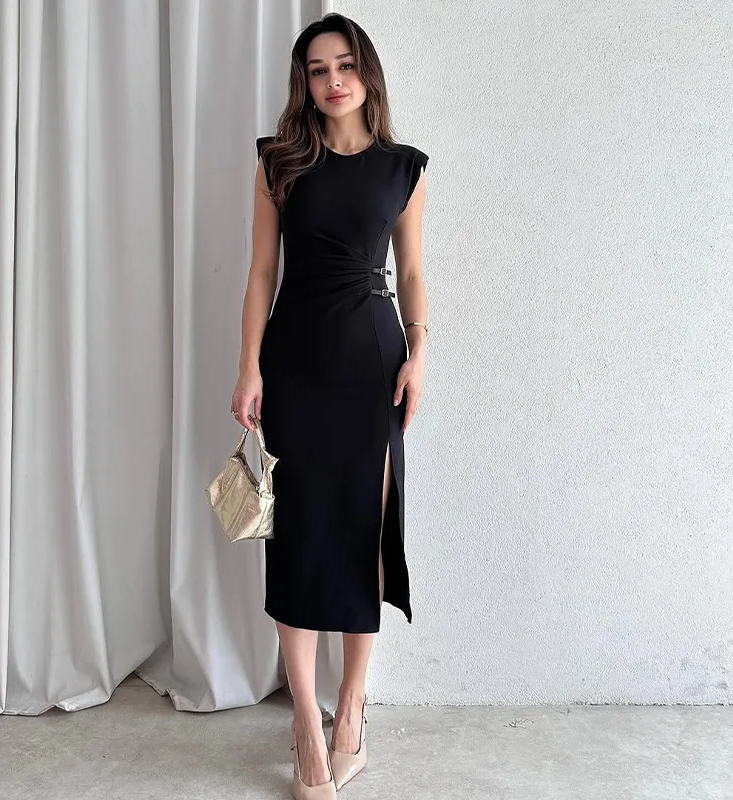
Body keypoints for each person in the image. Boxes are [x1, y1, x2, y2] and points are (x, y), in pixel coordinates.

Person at [230, 12, 429, 799]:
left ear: (366, 73)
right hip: (296, 363)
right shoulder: (279, 162)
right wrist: (248, 367)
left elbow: (412, 273)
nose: (333, 80)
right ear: (304, 84)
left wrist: (420, 353)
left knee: (361, 533)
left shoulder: (404, 169)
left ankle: (351, 710)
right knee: (298, 538)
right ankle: (306, 727)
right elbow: (260, 273)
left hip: (373, 363)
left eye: (345, 65)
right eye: (318, 70)